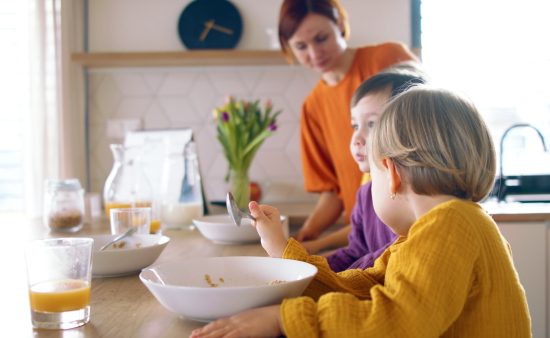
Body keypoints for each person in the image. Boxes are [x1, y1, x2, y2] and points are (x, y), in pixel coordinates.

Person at [190, 85, 532, 337]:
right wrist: (283, 250)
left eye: (373, 174)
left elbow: (397, 321)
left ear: (392, 174)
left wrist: (284, 319)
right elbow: (355, 291)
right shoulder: (432, 232)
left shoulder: (450, 226)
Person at [278, 0, 421, 245]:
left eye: (321, 38)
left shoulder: (386, 59)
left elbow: (432, 125)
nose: (314, 53)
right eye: (301, 46)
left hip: (411, 228)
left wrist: (316, 246)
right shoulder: (313, 107)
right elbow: (333, 193)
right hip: (367, 238)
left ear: (340, 24)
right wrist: (308, 232)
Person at [306, 64, 429, 271]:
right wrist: (304, 269)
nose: (356, 138)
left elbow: (390, 261)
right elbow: (355, 254)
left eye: (372, 123)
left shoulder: (421, 198)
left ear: (412, 129)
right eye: (355, 125)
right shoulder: (365, 195)